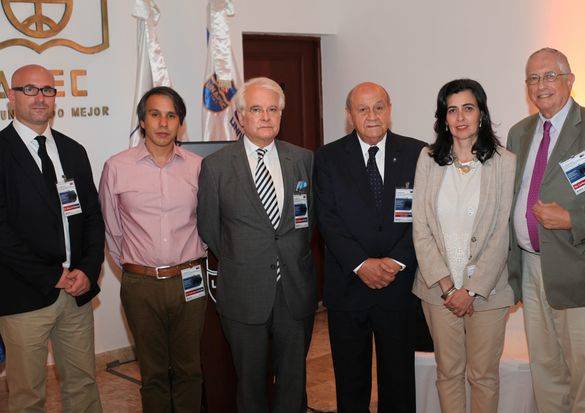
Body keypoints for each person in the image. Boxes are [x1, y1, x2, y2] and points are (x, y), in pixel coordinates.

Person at [507, 47, 585, 413]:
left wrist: (573, 219)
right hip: (532, 269)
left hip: (581, 269)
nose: (541, 85)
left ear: (569, 80)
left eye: (549, 75)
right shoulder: (518, 133)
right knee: (546, 372)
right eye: (533, 78)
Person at [197, 77, 315, 413]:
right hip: (244, 291)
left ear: (281, 114)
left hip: (294, 289)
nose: (266, 117)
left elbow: (309, 221)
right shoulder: (216, 166)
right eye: (257, 109)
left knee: (294, 382)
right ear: (241, 116)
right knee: (249, 385)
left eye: (273, 109)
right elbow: (210, 229)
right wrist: (247, 256)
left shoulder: (303, 159)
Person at [314, 82, 425, 412]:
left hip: (399, 286)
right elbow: (327, 220)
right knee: (351, 383)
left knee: (400, 382)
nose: (372, 115)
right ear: (349, 116)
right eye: (362, 109)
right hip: (348, 287)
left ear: (390, 110)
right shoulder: (328, 157)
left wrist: (395, 261)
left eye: (379, 107)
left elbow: (425, 217)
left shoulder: (418, 153)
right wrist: (363, 264)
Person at [0, 64, 104, 412]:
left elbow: (92, 217)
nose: (40, 97)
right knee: (28, 395)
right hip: (23, 297)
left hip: (76, 292)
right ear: (11, 96)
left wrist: (88, 270)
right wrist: (51, 275)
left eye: (47, 90)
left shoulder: (73, 151)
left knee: (83, 386)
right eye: (30, 90)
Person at [98, 86, 206, 412]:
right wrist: (137, 269)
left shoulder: (199, 167)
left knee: (190, 369)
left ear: (180, 123)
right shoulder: (116, 167)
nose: (163, 123)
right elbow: (111, 229)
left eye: (171, 115)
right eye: (155, 114)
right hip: (140, 284)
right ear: (142, 121)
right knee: (153, 372)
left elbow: (210, 222)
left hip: (190, 281)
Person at [412, 79, 515, 413]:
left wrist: (469, 291)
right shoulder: (428, 159)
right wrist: (447, 288)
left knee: (483, 376)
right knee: (448, 373)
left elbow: (502, 232)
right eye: (451, 110)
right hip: (437, 290)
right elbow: (421, 227)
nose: (460, 117)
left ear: (481, 114)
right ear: (443, 118)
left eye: (468, 108)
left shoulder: (504, 162)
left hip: (487, 292)